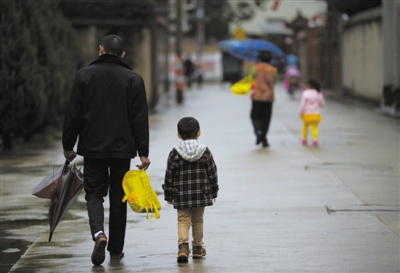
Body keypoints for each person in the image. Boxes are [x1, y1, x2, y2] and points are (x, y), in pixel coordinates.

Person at [62, 35, 151, 266]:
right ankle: (115, 250)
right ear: (122, 55)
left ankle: (98, 234)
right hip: (122, 149)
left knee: (94, 193)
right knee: (119, 197)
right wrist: (143, 152)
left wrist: (68, 146)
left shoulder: (84, 76)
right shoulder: (134, 79)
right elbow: (140, 119)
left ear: (101, 50)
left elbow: (74, 114)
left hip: (92, 147)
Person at [163, 117, 219, 263]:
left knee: (183, 220)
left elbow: (169, 175)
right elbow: (212, 172)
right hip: (201, 193)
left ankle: (183, 248)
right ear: (199, 133)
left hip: (181, 195)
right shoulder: (205, 152)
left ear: (178, 135)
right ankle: (198, 249)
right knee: (198, 220)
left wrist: (168, 194)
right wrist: (214, 190)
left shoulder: (174, 153)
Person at [249, 50, 277, 147]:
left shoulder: (255, 68)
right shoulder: (273, 70)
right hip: (268, 97)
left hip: (256, 96)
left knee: (254, 116)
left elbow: (251, 78)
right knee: (266, 118)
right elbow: (274, 82)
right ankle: (263, 138)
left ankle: (259, 132)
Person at [300, 78, 325, 146]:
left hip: (306, 114)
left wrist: (301, 112)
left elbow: (303, 104)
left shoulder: (305, 93)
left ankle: (304, 139)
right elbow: (322, 103)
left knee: (305, 126)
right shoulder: (318, 93)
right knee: (314, 127)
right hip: (315, 114)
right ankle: (315, 140)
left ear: (308, 85)